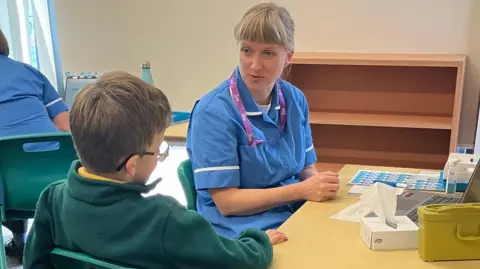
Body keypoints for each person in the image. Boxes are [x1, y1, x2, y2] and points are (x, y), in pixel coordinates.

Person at [24, 71, 287, 269]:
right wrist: (258, 240)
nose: (160, 154)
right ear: (132, 165)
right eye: (158, 148)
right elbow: (240, 261)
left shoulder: (52, 199)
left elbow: (35, 264)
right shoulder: (164, 218)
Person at [186, 2, 340, 238]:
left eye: (268, 53)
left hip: (292, 215)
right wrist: (301, 191)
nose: (254, 65)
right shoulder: (213, 112)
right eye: (247, 50)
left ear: (288, 57)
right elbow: (227, 202)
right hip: (241, 231)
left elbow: (305, 168)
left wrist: (320, 187)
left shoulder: (295, 99)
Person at [0, 29, 69, 263]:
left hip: (4, 189)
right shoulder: (29, 72)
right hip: (55, 182)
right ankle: (24, 242)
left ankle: (19, 241)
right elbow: (67, 125)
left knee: (7, 164)